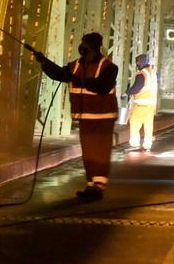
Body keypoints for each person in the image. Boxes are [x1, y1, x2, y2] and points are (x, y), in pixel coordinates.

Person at [34, 33, 118, 200]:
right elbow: (59, 74)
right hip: (85, 117)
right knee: (88, 152)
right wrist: (44, 62)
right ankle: (90, 185)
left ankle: (99, 186)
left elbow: (102, 87)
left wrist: (79, 80)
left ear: (94, 47)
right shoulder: (75, 66)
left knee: (100, 152)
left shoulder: (108, 67)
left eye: (85, 44)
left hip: (103, 117)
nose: (83, 48)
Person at [126, 54, 158, 151]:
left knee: (134, 122)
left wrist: (126, 92)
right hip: (151, 105)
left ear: (141, 62)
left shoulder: (141, 74)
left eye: (137, 62)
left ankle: (135, 143)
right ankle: (147, 145)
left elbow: (136, 88)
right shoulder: (153, 73)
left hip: (141, 104)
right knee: (148, 125)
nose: (137, 64)